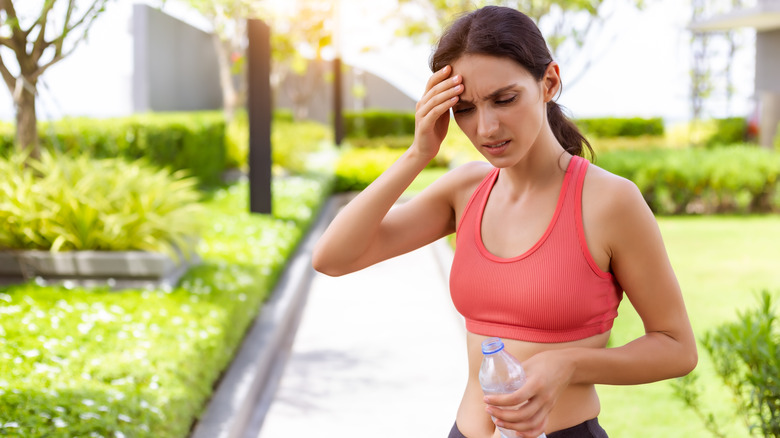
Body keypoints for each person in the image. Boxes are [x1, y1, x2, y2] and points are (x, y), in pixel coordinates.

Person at [312, 5, 697, 438]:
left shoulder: (608, 201)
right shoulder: (465, 191)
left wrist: (567, 363)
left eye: (504, 99)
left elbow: (676, 348)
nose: (487, 128)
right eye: (465, 109)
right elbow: (332, 258)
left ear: (549, 82)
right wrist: (418, 154)